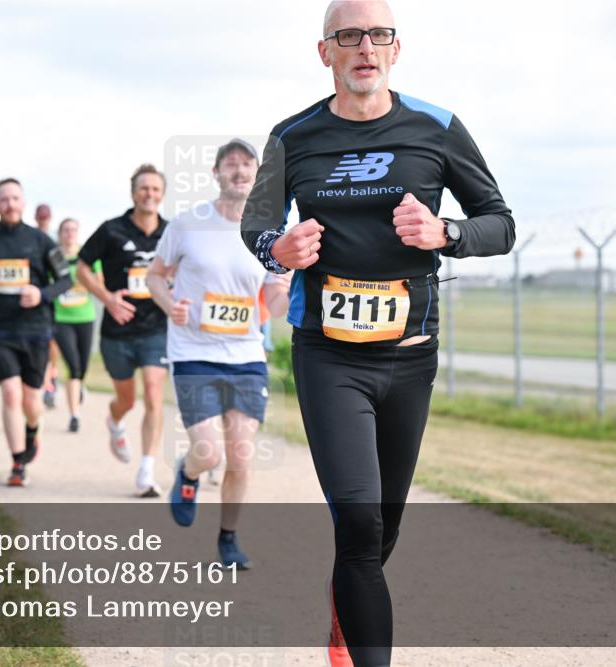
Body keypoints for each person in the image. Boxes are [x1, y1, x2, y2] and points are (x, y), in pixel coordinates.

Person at [240, 2, 515, 664]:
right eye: (349, 36)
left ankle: (344, 611)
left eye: (378, 34)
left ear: (396, 48)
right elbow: (256, 224)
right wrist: (280, 248)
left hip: (410, 359)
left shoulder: (438, 128)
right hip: (328, 357)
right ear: (325, 51)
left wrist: (446, 232)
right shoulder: (291, 136)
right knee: (359, 525)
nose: (365, 46)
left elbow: (500, 223)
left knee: (382, 529)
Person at [147, 139, 290, 569]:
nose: (240, 171)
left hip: (246, 355)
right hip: (194, 352)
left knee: (241, 454)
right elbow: (156, 276)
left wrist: (293, 298)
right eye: (231, 165)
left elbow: (275, 299)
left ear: (258, 175)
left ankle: (228, 539)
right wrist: (169, 303)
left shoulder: (266, 232)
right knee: (208, 452)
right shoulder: (188, 225)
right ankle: (188, 474)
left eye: (248, 165)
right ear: (216, 173)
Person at [0, 178, 72, 487]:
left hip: (35, 330)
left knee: (32, 401)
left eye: (14, 198)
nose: (9, 204)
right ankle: (18, 463)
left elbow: (66, 280)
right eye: (3, 199)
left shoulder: (42, 241)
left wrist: (41, 294)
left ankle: (32, 430)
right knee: (10, 393)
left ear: (23, 202)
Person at [76, 164, 169, 498]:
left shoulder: (171, 233)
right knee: (127, 400)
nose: (149, 194)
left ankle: (146, 470)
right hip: (117, 330)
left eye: (156, 189)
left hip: (157, 327)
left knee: (155, 395)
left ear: (163, 195)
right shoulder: (111, 230)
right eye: (144, 188)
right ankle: (115, 421)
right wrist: (106, 298)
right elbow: (82, 267)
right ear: (133, 193)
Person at [53, 218, 102, 433]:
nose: (70, 233)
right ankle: (74, 415)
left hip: (85, 316)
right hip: (61, 318)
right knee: (72, 365)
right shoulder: (53, 257)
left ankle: (79, 385)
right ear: (60, 233)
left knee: (82, 366)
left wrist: (86, 280)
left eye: (73, 229)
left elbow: (99, 284)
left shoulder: (88, 257)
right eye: (66, 230)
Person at [35, 203, 60, 408]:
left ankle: (52, 377)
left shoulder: (55, 240)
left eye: (46, 216)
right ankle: (45, 381)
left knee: (53, 344)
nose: (43, 219)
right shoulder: (31, 238)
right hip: (37, 299)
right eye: (41, 217)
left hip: (53, 299)